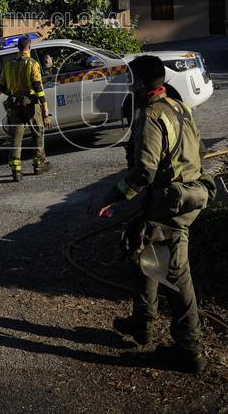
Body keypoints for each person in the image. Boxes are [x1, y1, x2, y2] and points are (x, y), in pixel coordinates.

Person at [86, 55, 214, 374]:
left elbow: (144, 171)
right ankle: (142, 323)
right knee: (143, 248)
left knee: (176, 274)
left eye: (132, 81)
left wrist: (110, 197)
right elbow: (197, 151)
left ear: (142, 84)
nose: (130, 86)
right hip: (189, 194)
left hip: (171, 204)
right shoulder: (179, 106)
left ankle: (190, 349)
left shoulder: (151, 115)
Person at [0, 35, 52, 182]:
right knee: (38, 134)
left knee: (16, 138)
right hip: (31, 105)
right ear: (29, 48)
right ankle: (39, 165)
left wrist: (14, 93)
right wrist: (45, 107)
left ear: (18, 48)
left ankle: (16, 171)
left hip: (15, 105)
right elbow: (38, 87)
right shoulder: (32, 64)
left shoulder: (8, 65)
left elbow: (1, 87)